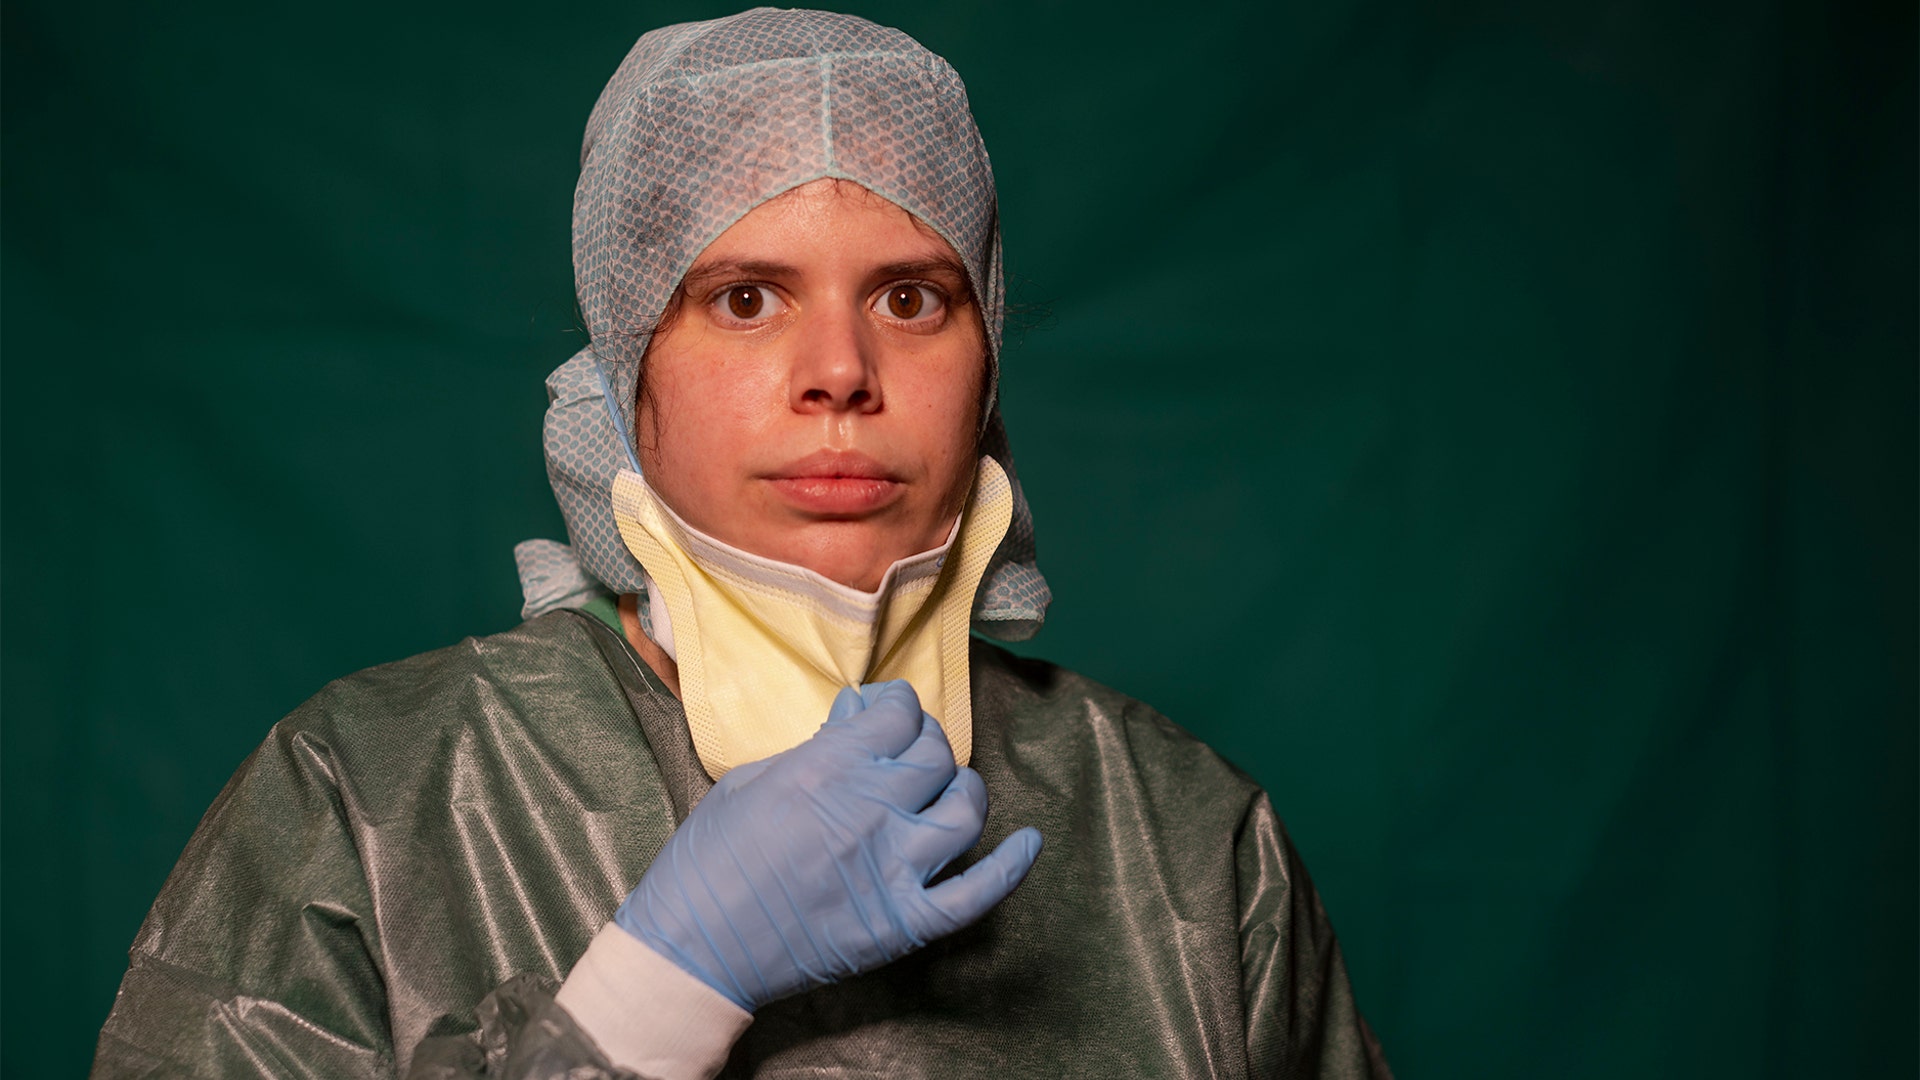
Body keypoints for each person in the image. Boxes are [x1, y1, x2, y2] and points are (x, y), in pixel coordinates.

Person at [91, 9, 1391, 1078]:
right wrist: (651, 998)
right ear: (620, 371)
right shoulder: (364, 808)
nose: (840, 370)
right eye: (747, 297)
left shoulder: (1189, 846)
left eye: (911, 295)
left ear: (986, 359)